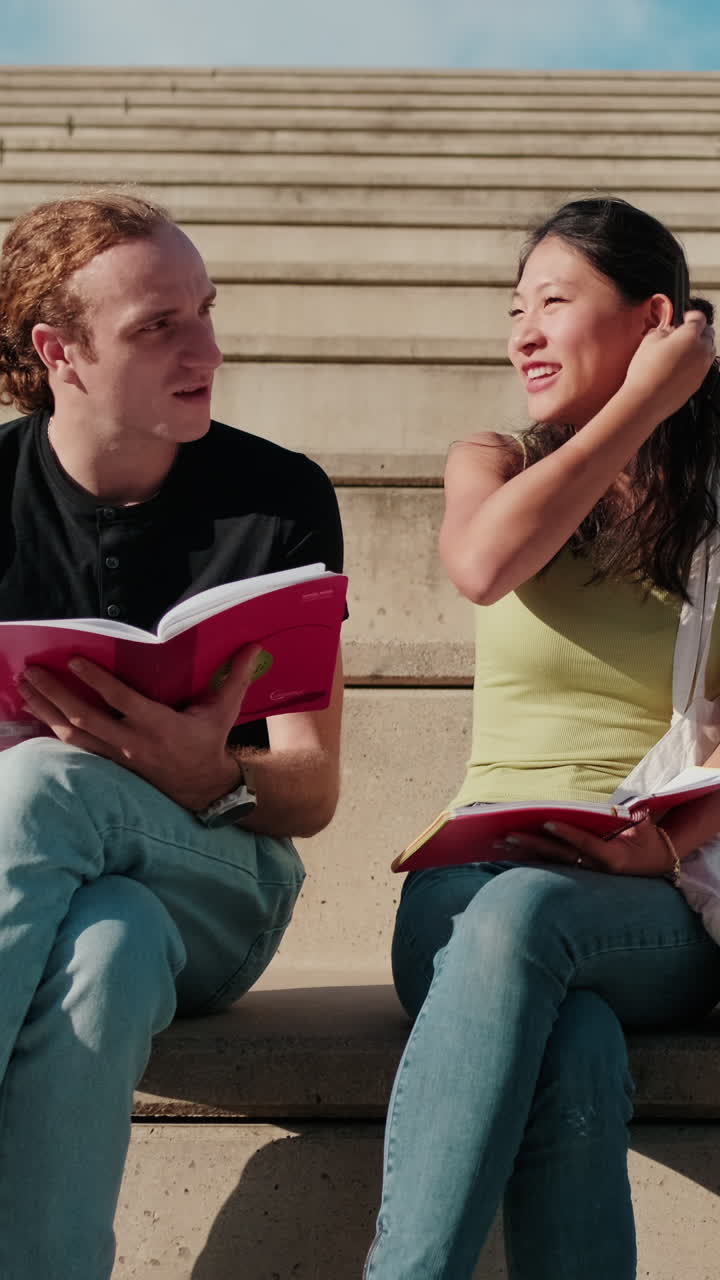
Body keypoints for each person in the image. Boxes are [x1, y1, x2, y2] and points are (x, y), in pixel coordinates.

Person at [364, 196, 720, 1280]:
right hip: (463, 879)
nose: (521, 331)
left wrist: (654, 848)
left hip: (654, 894)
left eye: (554, 302)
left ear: (651, 317)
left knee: (529, 917)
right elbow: (483, 566)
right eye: (513, 307)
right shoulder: (491, 457)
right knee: (573, 1040)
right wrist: (640, 407)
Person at [0, 191, 344, 1280]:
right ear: (61, 352)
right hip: (62, 891)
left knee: (53, 780)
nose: (208, 349)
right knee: (106, 945)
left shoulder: (279, 498)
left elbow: (314, 787)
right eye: (159, 326)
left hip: (227, 880)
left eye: (205, 309)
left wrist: (215, 776)